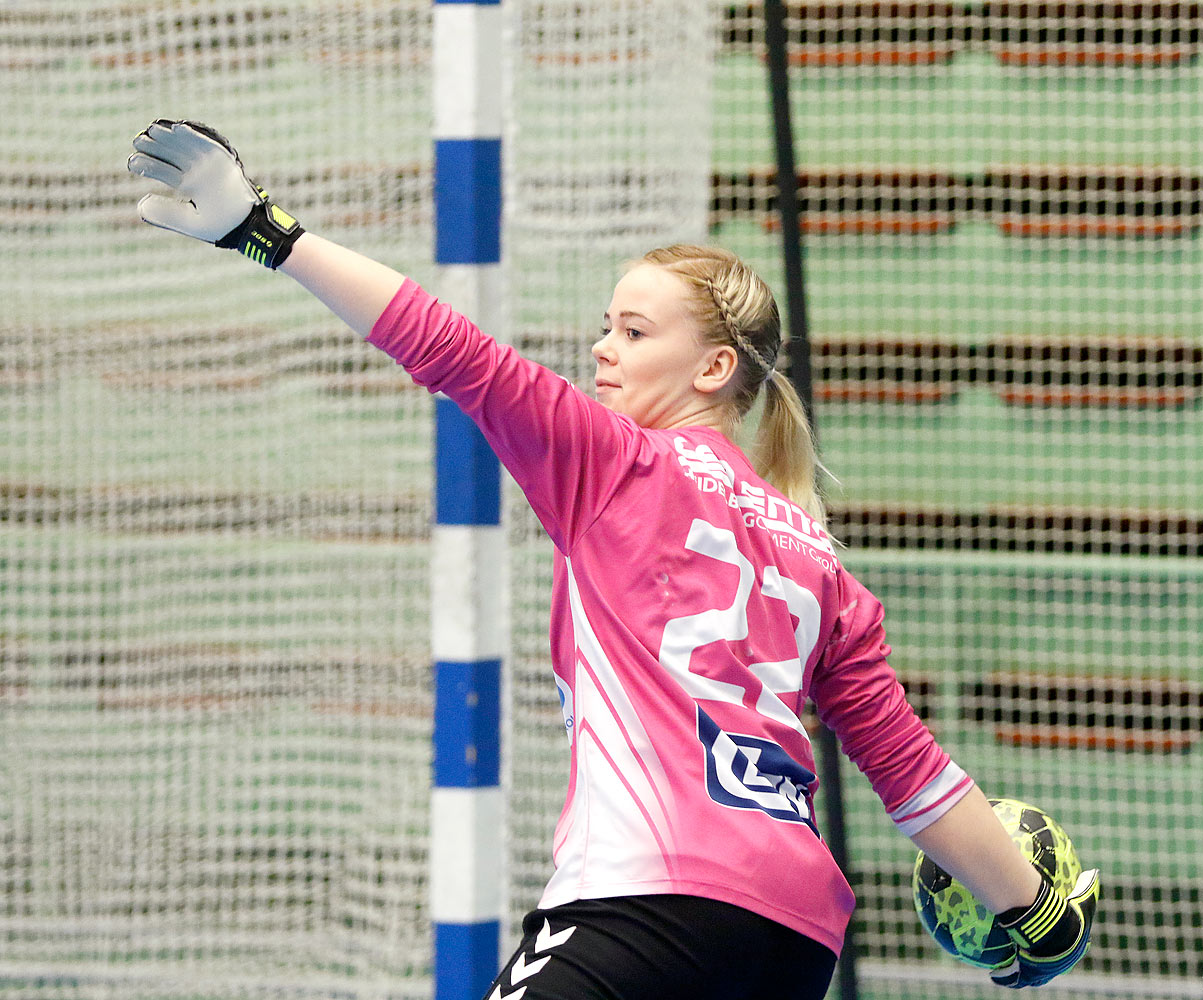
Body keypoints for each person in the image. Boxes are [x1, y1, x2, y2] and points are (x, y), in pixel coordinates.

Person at [126, 120, 1099, 999]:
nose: (601, 349)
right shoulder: (823, 563)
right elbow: (914, 777)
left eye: (633, 331)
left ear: (714, 368)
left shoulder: (613, 457)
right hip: (792, 941)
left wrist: (268, 232)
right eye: (605, 325)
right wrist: (1032, 910)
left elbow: (447, 344)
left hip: (644, 901)